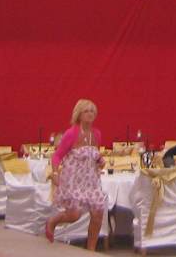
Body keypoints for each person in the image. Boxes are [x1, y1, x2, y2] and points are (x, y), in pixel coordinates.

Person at [46, 99, 106, 247]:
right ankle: (53, 221)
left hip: (91, 180)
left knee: (98, 213)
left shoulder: (96, 134)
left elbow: (94, 154)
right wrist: (55, 173)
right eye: (86, 111)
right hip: (73, 179)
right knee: (74, 215)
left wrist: (100, 160)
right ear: (79, 114)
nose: (90, 114)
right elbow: (57, 156)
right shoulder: (71, 133)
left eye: (92, 111)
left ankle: (91, 249)